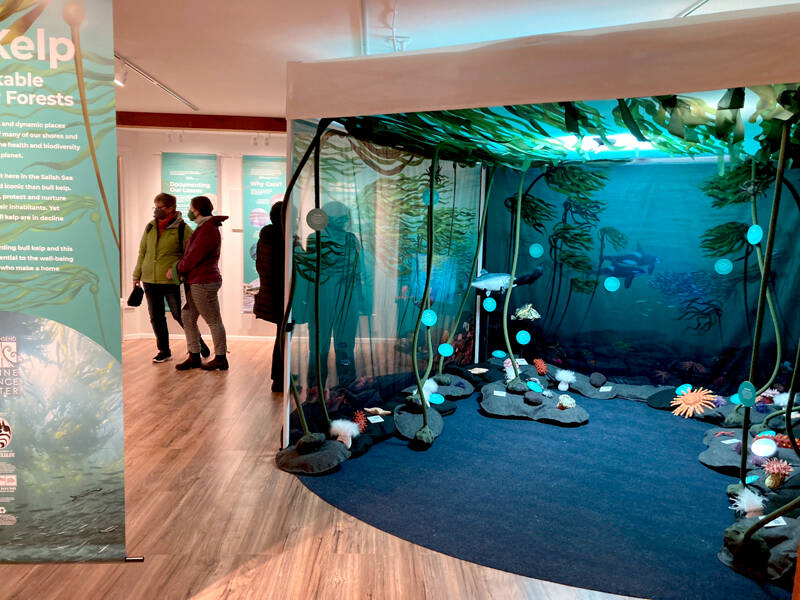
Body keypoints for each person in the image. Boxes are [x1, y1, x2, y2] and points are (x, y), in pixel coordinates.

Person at [132, 192, 209, 363]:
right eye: (156, 207)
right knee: (155, 316)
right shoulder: (150, 227)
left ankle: (199, 344)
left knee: (179, 314)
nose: (157, 211)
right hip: (149, 279)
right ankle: (164, 351)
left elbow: (190, 254)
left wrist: (178, 270)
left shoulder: (183, 229)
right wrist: (136, 275)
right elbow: (142, 252)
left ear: (171, 208)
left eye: (161, 207)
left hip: (171, 279)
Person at [298, 201, 366, 392]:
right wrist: (362, 302)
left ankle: (316, 388)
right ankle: (345, 388)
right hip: (344, 299)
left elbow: (310, 274)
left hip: (323, 299)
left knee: (320, 346)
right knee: (342, 346)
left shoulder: (315, 238)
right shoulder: (351, 240)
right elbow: (358, 272)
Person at [169, 195, 229, 371]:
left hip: (203, 281)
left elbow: (194, 256)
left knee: (213, 319)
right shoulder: (204, 227)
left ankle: (220, 357)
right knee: (188, 317)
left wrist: (176, 269)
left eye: (191, 207)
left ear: (197, 209)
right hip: (197, 280)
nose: (189, 211)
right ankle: (194, 355)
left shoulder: (207, 229)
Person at [253, 201, 285, 392]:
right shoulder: (281, 239)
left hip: (272, 293)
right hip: (281, 294)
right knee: (282, 336)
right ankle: (280, 377)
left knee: (281, 335)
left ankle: (279, 376)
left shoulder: (266, 237)